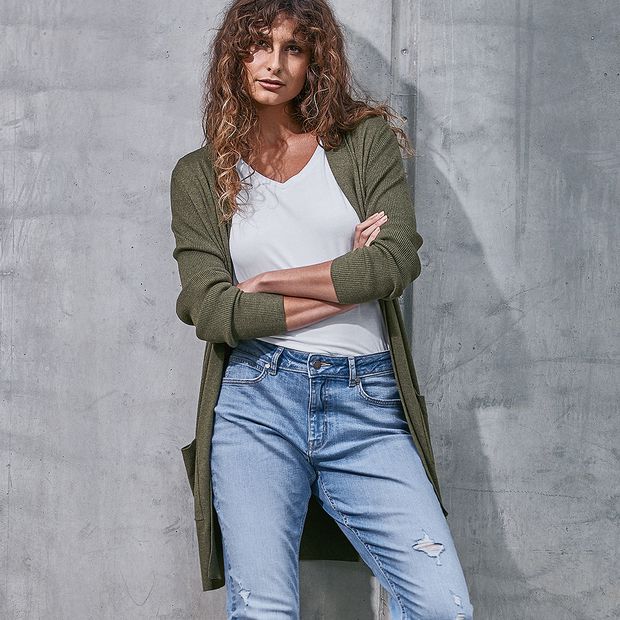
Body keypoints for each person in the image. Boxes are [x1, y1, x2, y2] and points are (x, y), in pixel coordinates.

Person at [170, 0, 474, 618]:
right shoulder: (200, 175)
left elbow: (395, 262)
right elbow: (211, 310)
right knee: (263, 610)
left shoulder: (362, 144)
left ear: (315, 61)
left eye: (294, 48)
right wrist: (348, 279)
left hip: (366, 401)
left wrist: (267, 284)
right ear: (234, 56)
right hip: (256, 401)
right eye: (259, 45)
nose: (274, 64)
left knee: (442, 607)